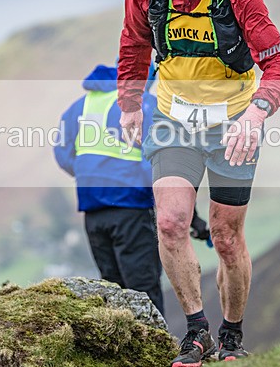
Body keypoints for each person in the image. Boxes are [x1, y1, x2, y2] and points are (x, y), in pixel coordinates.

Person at [117, 0, 280, 367]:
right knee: (172, 222)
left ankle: (232, 335)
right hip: (175, 120)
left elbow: (279, 60)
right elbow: (134, 44)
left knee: (225, 236)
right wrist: (131, 103)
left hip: (235, 123)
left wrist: (256, 114)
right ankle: (197, 333)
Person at [54, 63, 211, 317]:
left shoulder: (82, 105)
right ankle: (157, 353)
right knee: (143, 289)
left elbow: (62, 154)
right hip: (132, 209)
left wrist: (91, 176)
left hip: (93, 212)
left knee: (112, 288)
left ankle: (121, 353)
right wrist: (192, 216)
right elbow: (158, 169)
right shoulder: (145, 105)